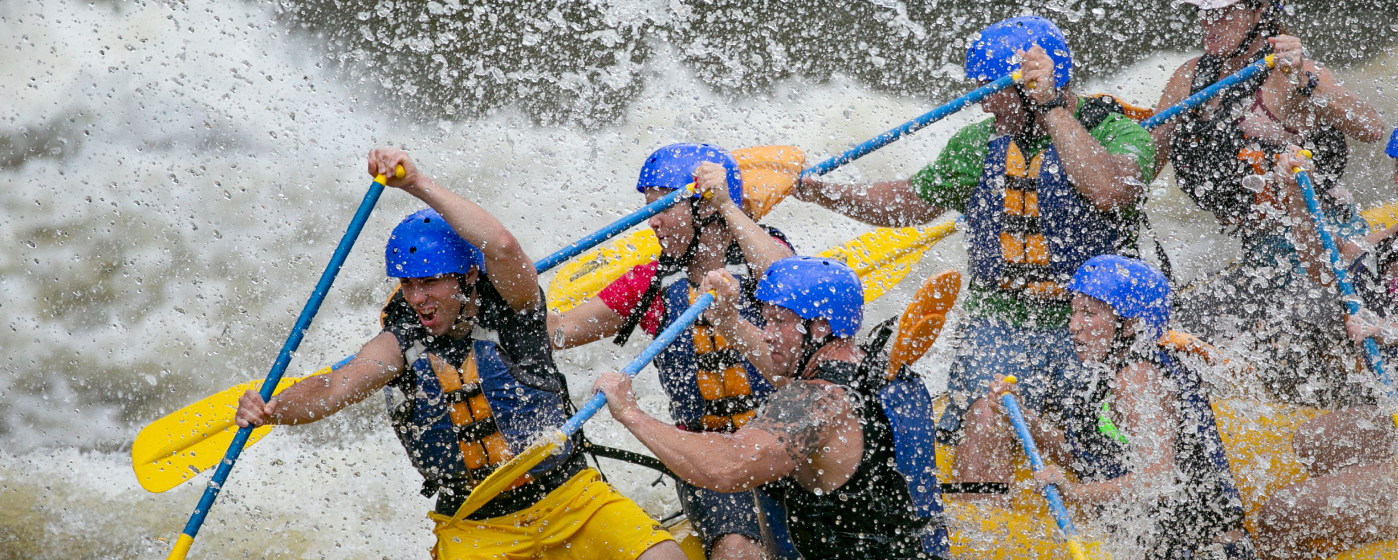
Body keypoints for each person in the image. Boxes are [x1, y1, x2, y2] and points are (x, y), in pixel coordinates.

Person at [233, 149, 684, 560]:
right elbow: (336, 385)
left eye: (430, 282)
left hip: (568, 497)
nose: (417, 297)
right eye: (408, 285)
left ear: (468, 276)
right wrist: (273, 410)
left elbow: (504, 247)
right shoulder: (401, 342)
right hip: (475, 524)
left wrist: (416, 183)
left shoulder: (516, 314)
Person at [792, 16, 1155, 472]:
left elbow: (1109, 190)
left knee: (1089, 446)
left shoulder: (1117, 133)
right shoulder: (976, 146)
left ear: (1034, 82)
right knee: (983, 417)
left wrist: (1052, 110)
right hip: (997, 326)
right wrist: (816, 189)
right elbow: (907, 203)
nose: (985, 106)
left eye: (993, 91)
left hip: (1088, 331)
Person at [592, 256, 950, 559]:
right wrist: (727, 319)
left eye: (779, 320)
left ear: (821, 327)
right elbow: (788, 372)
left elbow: (729, 467)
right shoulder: (881, 372)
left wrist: (630, 413)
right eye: (766, 319)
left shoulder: (816, 401)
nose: (767, 332)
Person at [547, 144, 797, 560]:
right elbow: (559, 332)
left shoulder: (762, 254)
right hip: (706, 454)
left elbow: (787, 277)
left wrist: (729, 207)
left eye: (663, 206)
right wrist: (488, 290)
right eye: (649, 209)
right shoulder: (649, 285)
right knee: (737, 549)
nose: (653, 221)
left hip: (784, 439)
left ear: (705, 208)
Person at [1150, 0, 1386, 408]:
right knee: (1169, 330)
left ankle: (1347, 414)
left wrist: (1304, 82)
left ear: (1259, 13)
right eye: (1203, 12)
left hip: (1325, 246)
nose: (1209, 23)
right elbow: (1141, 168)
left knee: (1292, 325)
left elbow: (1371, 127)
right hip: (1262, 256)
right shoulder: (1189, 77)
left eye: (1222, 12)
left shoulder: (1290, 72)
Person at [959, 255, 1256, 559]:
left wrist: (1076, 494)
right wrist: (1021, 416)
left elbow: (1159, 479)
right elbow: (1084, 457)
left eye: (1089, 314)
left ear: (1130, 325)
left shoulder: (1138, 379)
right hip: (1163, 546)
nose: (1074, 326)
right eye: (1073, 311)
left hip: (1205, 550)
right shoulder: (1109, 372)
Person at [1247, 147, 1398, 559]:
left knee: (1279, 514)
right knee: (1312, 441)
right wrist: (1298, 193)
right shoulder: (1388, 242)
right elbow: (1322, 264)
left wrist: (1388, 331)